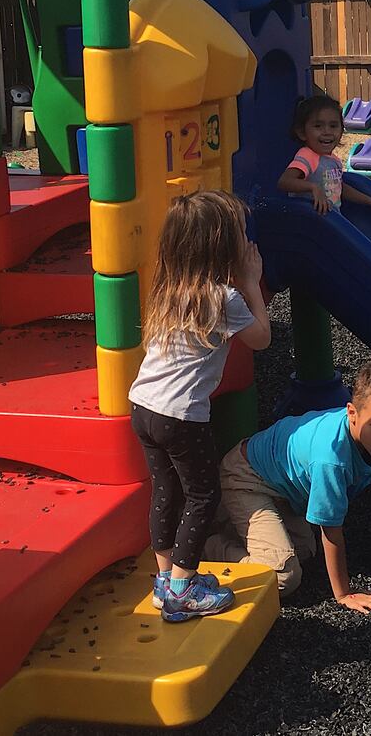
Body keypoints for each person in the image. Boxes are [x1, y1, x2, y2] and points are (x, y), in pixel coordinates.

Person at [128, 190, 272, 622]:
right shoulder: (221, 298)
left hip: (143, 405)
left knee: (166, 490)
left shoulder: (169, 287)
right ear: (220, 247)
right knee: (204, 495)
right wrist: (249, 283)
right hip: (180, 415)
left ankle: (165, 580)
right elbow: (262, 338)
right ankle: (184, 588)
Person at [204, 359, 371, 614]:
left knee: (304, 550)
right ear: (352, 413)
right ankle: (210, 545)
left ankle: (235, 525)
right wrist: (344, 594)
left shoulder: (366, 437)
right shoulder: (331, 459)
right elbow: (331, 532)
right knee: (284, 576)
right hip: (246, 479)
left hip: (280, 488)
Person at [277, 95, 371, 214]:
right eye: (318, 126)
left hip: (332, 222)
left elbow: (339, 188)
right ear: (302, 133)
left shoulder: (334, 160)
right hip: (309, 221)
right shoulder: (307, 155)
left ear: (341, 130)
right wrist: (313, 187)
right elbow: (285, 181)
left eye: (333, 126)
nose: (327, 132)